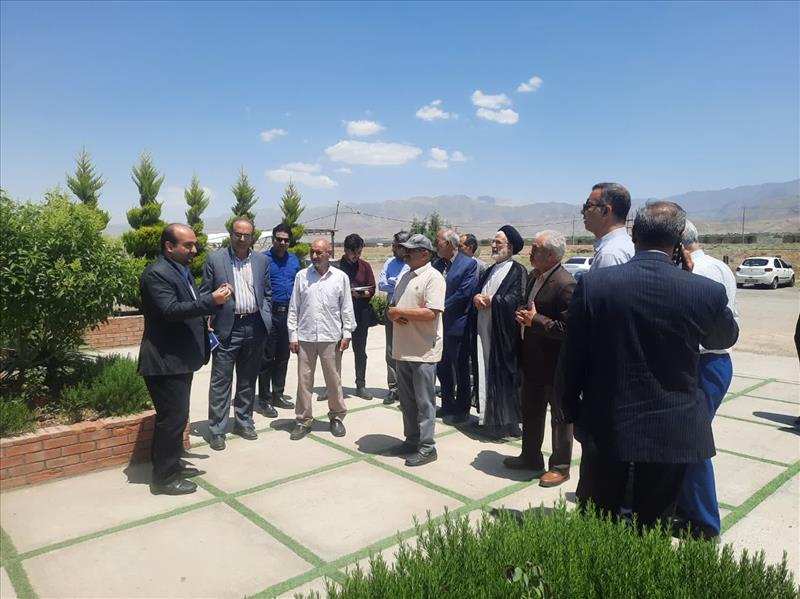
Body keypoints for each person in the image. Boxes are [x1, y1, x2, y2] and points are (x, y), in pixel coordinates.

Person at [562, 201, 739, 528]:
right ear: (680, 239)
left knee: (598, 523)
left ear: (634, 234)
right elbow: (722, 339)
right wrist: (689, 280)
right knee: (653, 528)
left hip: (606, 424)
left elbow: (572, 357)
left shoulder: (595, 285)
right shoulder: (704, 291)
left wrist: (569, 411)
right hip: (670, 428)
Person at [138, 223, 232, 494]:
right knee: (172, 419)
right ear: (169, 246)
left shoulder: (180, 269)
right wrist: (211, 301)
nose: (194, 250)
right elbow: (170, 310)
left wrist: (210, 306)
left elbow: (189, 305)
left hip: (180, 359)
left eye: (194, 244)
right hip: (165, 361)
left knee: (177, 418)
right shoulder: (156, 273)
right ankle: (164, 479)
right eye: (188, 245)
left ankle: (171, 463)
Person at [675, 219, 739, 538]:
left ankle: (703, 521)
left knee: (693, 440)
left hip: (703, 363)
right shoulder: (717, 266)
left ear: (678, 242)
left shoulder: (698, 272)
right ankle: (687, 506)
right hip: (711, 362)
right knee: (686, 439)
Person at [506, 231, 576, 487]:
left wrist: (535, 320)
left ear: (551, 254)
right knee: (531, 411)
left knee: (559, 417)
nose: (530, 253)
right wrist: (524, 314)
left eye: (535, 249)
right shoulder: (534, 276)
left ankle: (560, 467)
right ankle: (530, 457)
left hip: (554, 364)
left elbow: (569, 329)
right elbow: (531, 309)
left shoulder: (565, 284)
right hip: (532, 359)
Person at [201, 218, 272, 451]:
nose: (242, 239)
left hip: (254, 326)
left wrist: (266, 316)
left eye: (246, 235)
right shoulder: (215, 259)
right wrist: (208, 323)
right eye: (238, 234)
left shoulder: (262, 261)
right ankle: (217, 430)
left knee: (248, 380)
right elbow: (205, 294)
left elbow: (267, 293)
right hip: (226, 328)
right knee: (221, 381)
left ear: (253, 237)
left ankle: (243, 422)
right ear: (231, 234)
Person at [386, 234, 446, 466]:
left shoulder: (433, 278)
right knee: (407, 401)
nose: (406, 254)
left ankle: (427, 447)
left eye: (411, 250)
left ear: (425, 253)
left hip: (423, 351)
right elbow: (396, 307)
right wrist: (394, 312)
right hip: (403, 350)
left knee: (424, 402)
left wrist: (399, 312)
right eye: (405, 250)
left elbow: (432, 312)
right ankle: (411, 440)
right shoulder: (405, 276)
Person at [288, 238, 355, 440]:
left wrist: (347, 333)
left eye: (319, 252)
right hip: (306, 337)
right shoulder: (302, 276)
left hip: (330, 337)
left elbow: (346, 307)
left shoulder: (340, 277)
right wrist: (293, 335)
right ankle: (303, 420)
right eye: (312, 252)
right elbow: (294, 307)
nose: (314, 256)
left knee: (333, 380)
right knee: (304, 381)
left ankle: (337, 417)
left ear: (329, 253)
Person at [471, 225, 528, 438]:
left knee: (506, 377)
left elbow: (518, 299)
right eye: (493, 242)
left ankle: (508, 423)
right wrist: (477, 297)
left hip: (504, 337)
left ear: (510, 247)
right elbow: (479, 291)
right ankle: (488, 419)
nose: (493, 245)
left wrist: (494, 301)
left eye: (498, 242)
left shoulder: (517, 270)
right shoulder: (489, 270)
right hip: (484, 331)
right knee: (485, 372)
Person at [433, 229, 478, 423]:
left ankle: (462, 408)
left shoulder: (468, 264)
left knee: (461, 368)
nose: (436, 245)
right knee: (442, 367)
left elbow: (464, 293)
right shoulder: (436, 264)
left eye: (438, 242)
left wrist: (439, 307)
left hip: (458, 324)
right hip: (439, 325)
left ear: (450, 244)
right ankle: (447, 404)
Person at [258, 223, 301, 417]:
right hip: (269, 314)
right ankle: (264, 399)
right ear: (273, 239)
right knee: (266, 358)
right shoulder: (262, 260)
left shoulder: (294, 260)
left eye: (286, 240)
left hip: (289, 315)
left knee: (283, 356)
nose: (282, 243)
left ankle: (278, 394)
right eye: (279, 239)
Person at [336, 233, 377, 400]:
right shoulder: (336, 268)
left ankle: (361, 385)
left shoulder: (365, 266)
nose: (356, 256)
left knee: (360, 351)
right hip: (339, 317)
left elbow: (372, 288)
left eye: (359, 252)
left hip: (360, 314)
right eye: (353, 252)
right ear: (346, 250)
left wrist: (362, 293)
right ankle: (333, 386)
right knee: (336, 351)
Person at [378, 231, 411, 405]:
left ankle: (407, 388)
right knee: (391, 351)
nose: (393, 249)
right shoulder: (389, 263)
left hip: (409, 312)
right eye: (393, 245)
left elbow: (409, 286)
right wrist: (396, 283)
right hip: (392, 309)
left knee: (408, 351)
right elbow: (382, 285)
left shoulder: (412, 264)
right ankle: (393, 388)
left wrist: (394, 282)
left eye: (397, 246)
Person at [582, 182, 634, 271]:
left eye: (588, 206)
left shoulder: (609, 255)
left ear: (606, 211)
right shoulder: (629, 245)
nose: (582, 211)